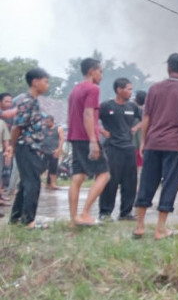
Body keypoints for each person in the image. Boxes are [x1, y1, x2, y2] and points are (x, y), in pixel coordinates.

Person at [132, 53, 178, 240]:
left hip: (153, 142)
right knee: (170, 184)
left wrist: (144, 141)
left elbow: (146, 118)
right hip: (174, 145)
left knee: (146, 182)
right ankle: (160, 229)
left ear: (168, 68)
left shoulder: (154, 89)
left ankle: (140, 226)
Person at [67, 57, 111, 227]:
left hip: (75, 136)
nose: (101, 75)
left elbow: (77, 115)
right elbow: (87, 114)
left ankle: (73, 219)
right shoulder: (93, 89)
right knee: (104, 174)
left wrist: (99, 131)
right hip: (86, 138)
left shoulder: (75, 89)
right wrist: (94, 140)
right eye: (100, 71)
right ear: (92, 71)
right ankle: (85, 213)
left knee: (78, 176)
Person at [6, 68, 50, 227]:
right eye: (45, 81)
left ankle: (16, 218)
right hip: (26, 146)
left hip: (31, 147)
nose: (47, 85)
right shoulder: (27, 100)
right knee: (33, 183)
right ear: (35, 82)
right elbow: (17, 127)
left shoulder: (32, 100)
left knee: (25, 183)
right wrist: (12, 146)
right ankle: (28, 221)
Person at [98, 78, 141, 221]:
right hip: (112, 148)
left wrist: (136, 127)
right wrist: (102, 131)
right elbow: (89, 118)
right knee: (111, 181)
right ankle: (105, 212)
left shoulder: (132, 107)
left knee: (130, 182)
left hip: (129, 149)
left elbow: (147, 118)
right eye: (128, 89)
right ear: (119, 90)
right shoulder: (106, 106)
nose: (131, 92)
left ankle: (125, 212)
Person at [41, 115, 64, 190]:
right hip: (45, 151)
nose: (47, 123)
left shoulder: (58, 129)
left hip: (54, 151)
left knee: (53, 168)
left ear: (52, 121)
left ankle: (52, 184)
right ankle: (43, 182)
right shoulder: (44, 129)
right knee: (42, 167)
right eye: (46, 122)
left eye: (48, 122)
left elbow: (61, 139)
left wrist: (59, 149)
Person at [133, 89, 147, 171]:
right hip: (143, 145)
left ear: (135, 100)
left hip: (131, 145)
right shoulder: (147, 114)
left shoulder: (129, 111)